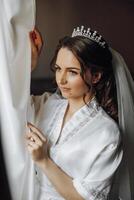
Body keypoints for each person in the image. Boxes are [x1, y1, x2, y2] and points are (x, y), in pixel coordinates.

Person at [26, 26, 124, 200]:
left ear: (95, 76)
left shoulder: (106, 132)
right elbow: (9, 105)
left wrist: (43, 160)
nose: (61, 79)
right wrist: (29, 65)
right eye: (58, 68)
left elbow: (86, 198)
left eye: (72, 72)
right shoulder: (47, 104)